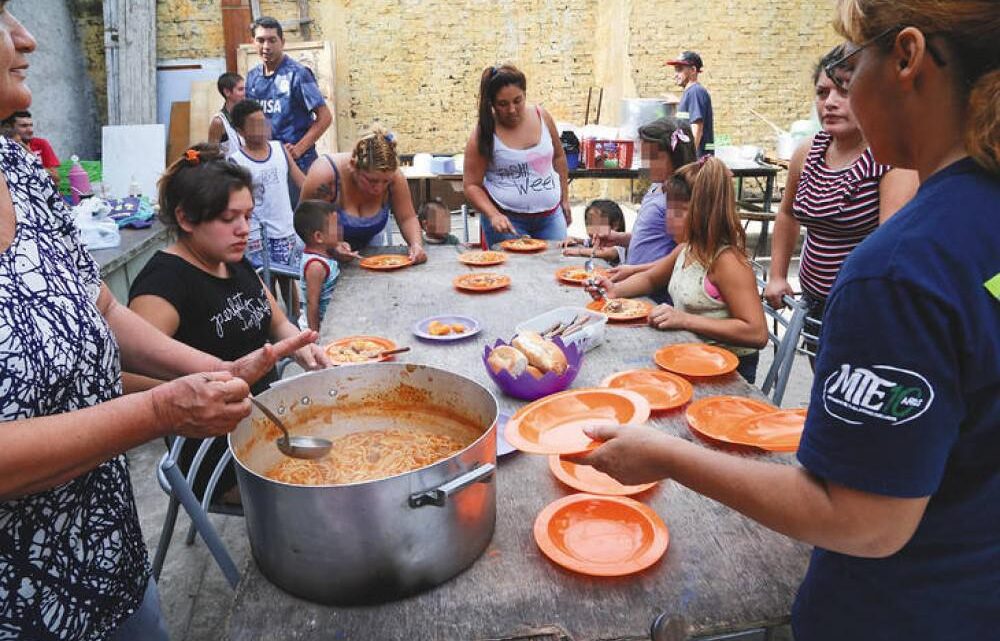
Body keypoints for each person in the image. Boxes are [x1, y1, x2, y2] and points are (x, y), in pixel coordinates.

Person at [571, 2, 1000, 640]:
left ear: (907, 57)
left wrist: (667, 455)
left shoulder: (901, 270)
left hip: (897, 611)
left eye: (853, 63)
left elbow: (864, 520)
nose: (844, 88)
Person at [0, 9, 317, 640]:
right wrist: (162, 412)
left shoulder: (18, 169)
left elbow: (104, 310)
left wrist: (219, 372)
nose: (25, 35)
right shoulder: (170, 281)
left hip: (110, 562)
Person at [127, 143, 329, 500]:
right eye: (228, 219)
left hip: (267, 423)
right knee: (328, 487)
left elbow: (278, 323)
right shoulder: (163, 284)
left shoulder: (231, 259)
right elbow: (121, 377)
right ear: (187, 219)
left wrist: (303, 349)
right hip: (215, 450)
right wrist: (197, 390)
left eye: (248, 217)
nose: (243, 230)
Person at [765, 45, 918, 363]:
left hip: (862, 311)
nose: (830, 103)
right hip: (814, 304)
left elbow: (888, 247)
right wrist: (778, 274)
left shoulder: (891, 159)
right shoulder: (807, 152)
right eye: (822, 93)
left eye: (844, 91)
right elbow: (787, 214)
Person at [587, 158, 767, 382]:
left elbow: (757, 333)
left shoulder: (727, 262)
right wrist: (613, 290)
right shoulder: (686, 249)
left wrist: (685, 320)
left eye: (679, 212)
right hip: (690, 357)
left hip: (727, 373)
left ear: (706, 213)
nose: (669, 220)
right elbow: (651, 279)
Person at [462, 64, 571, 248]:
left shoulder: (542, 117)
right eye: (503, 104)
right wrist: (493, 215)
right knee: (510, 272)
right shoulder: (484, 132)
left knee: (555, 267)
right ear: (492, 104)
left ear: (525, 94)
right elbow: (471, 185)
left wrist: (565, 199)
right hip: (508, 221)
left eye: (517, 101)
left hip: (550, 216)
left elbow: (559, 157)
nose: (512, 110)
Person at [593, 116, 698, 302]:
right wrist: (619, 239)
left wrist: (634, 270)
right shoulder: (656, 187)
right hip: (635, 285)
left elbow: (684, 254)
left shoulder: (679, 200)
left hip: (656, 295)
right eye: (644, 155)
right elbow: (652, 237)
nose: (646, 163)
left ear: (675, 156)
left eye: (653, 157)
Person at [299, 127, 427, 263]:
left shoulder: (395, 178)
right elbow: (304, 222)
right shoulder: (325, 176)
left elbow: (407, 218)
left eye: (385, 181)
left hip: (367, 252)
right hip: (321, 258)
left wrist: (416, 244)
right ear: (353, 166)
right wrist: (333, 246)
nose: (379, 188)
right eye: (372, 180)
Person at [228, 98, 306, 312]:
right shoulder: (236, 162)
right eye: (253, 125)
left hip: (284, 231)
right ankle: (272, 331)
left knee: (288, 282)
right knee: (264, 288)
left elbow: (303, 183)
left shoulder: (280, 150)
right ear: (240, 131)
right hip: (254, 237)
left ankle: (295, 325)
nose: (261, 129)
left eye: (263, 122)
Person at [245, 16, 332, 175]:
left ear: (282, 42)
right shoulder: (252, 77)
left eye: (272, 40)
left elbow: (325, 117)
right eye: (261, 40)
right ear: (253, 42)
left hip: (299, 164)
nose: (266, 46)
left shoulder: (298, 75)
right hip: (267, 162)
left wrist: (298, 149)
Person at [294, 199, 342, 331]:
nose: (340, 229)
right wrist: (316, 336)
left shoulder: (325, 254)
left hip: (329, 318)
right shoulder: (316, 266)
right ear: (319, 237)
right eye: (335, 227)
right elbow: (312, 303)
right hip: (319, 325)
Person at [666, 51, 714, 157]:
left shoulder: (695, 92)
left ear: (693, 70)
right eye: (675, 70)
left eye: (679, 70)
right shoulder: (692, 93)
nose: (675, 75)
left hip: (698, 163)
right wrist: (679, 102)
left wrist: (689, 158)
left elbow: (697, 128)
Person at [562, 199, 627, 264]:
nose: (591, 229)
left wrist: (578, 251)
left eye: (596, 223)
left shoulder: (620, 245)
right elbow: (583, 241)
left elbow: (606, 253)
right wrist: (572, 239)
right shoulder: (595, 241)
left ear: (615, 225)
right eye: (588, 224)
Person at [5, 109, 59, 186]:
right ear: (10, 128)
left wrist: (31, 156)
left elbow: (56, 179)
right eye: (24, 126)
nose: (30, 130)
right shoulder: (4, 148)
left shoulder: (41, 144)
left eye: (31, 125)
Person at [207, 71, 245, 156]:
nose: (245, 93)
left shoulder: (246, 116)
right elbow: (211, 155)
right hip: (229, 168)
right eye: (240, 89)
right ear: (227, 92)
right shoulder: (219, 121)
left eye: (245, 89)